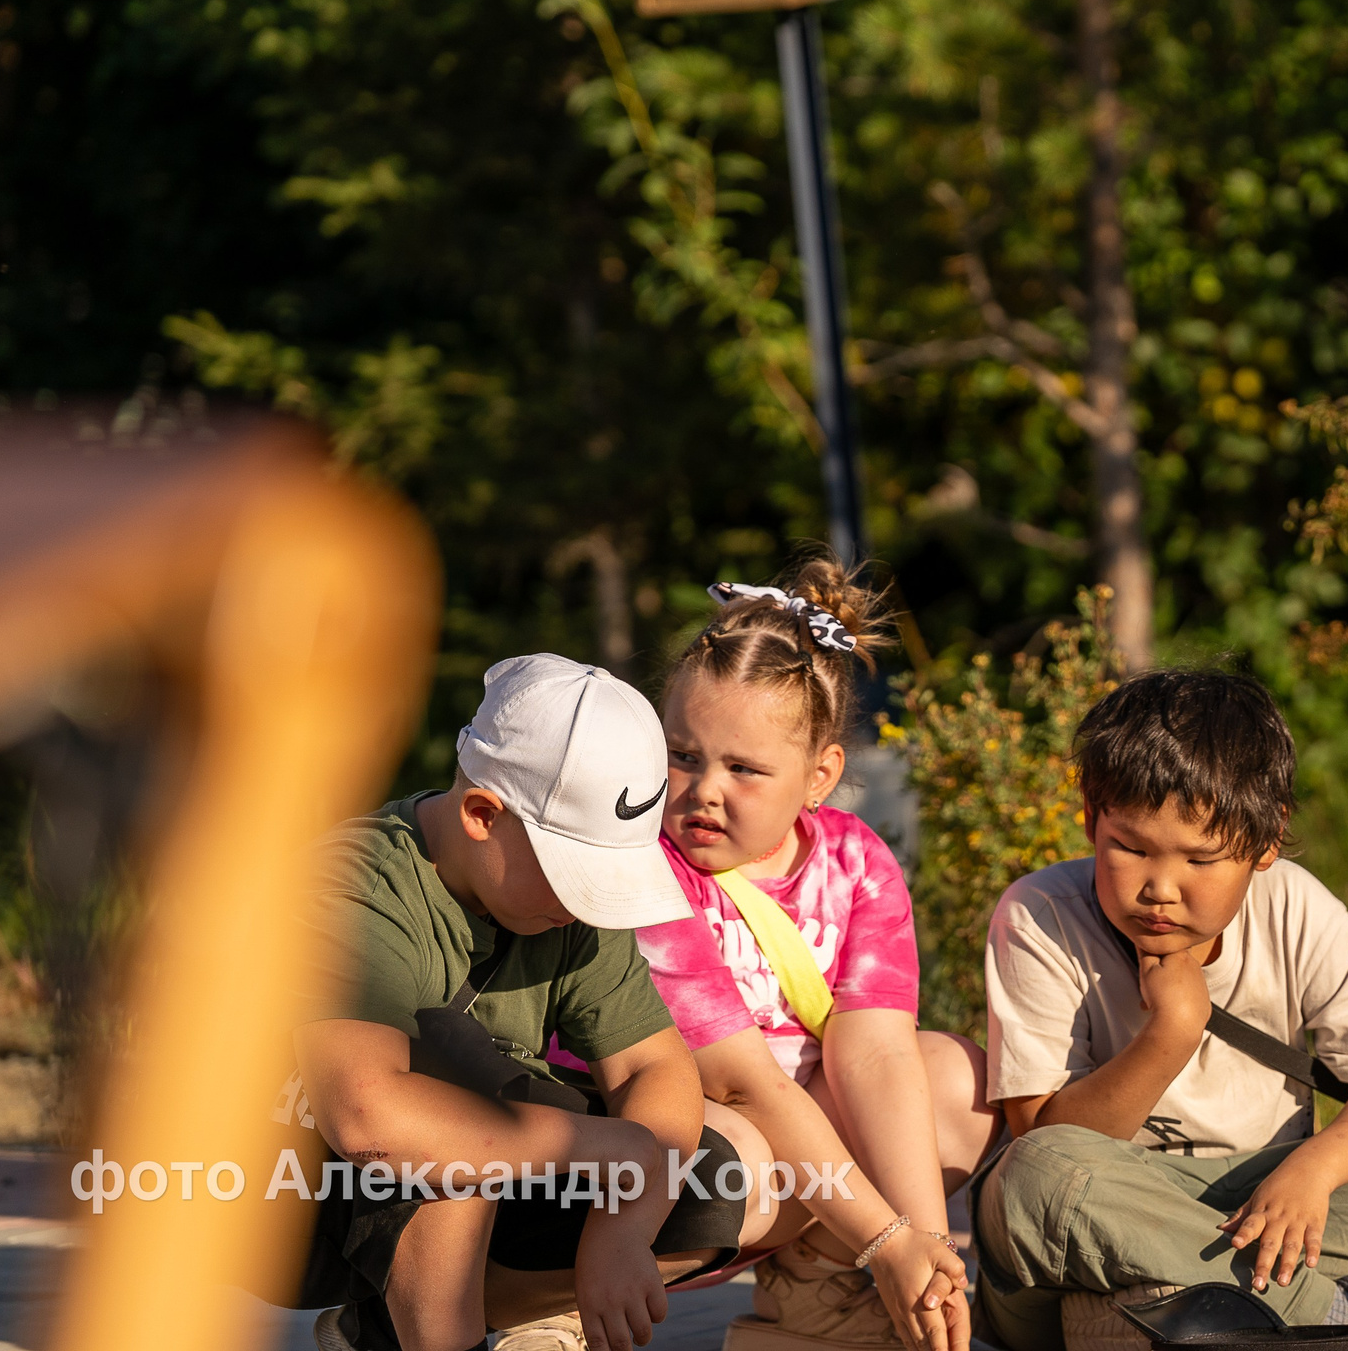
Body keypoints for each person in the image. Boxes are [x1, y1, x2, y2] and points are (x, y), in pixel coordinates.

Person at [972, 670, 1348, 1351]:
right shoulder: (1040, 915)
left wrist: (1312, 1171)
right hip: (1115, 1202)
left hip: (1270, 1197)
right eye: (1130, 848)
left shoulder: (1294, 904)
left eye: (1201, 859)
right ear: (1092, 817)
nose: (1160, 888)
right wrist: (1172, 1031)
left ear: (1267, 840)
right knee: (1032, 1177)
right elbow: (1042, 1135)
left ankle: (1193, 1313)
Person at [278, 654, 749, 1351]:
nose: (586, 904)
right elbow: (366, 1116)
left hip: (458, 1175)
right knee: (456, 1117)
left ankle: (384, 1330)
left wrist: (620, 1231)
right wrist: (612, 1149)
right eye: (577, 873)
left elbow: (653, 1067)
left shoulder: (563, 909)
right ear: (482, 814)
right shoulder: (358, 885)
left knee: (708, 1177)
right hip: (281, 1198)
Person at [628, 561, 995, 1351]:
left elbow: (876, 1052)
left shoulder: (856, 860)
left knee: (955, 1080)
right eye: (683, 756)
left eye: (743, 768)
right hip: (688, 1160)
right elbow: (733, 1081)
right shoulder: (647, 868)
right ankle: (554, 1302)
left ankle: (815, 1294)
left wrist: (927, 1248)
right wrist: (886, 1241)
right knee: (733, 1150)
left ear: (819, 775)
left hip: (798, 1162)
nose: (704, 789)